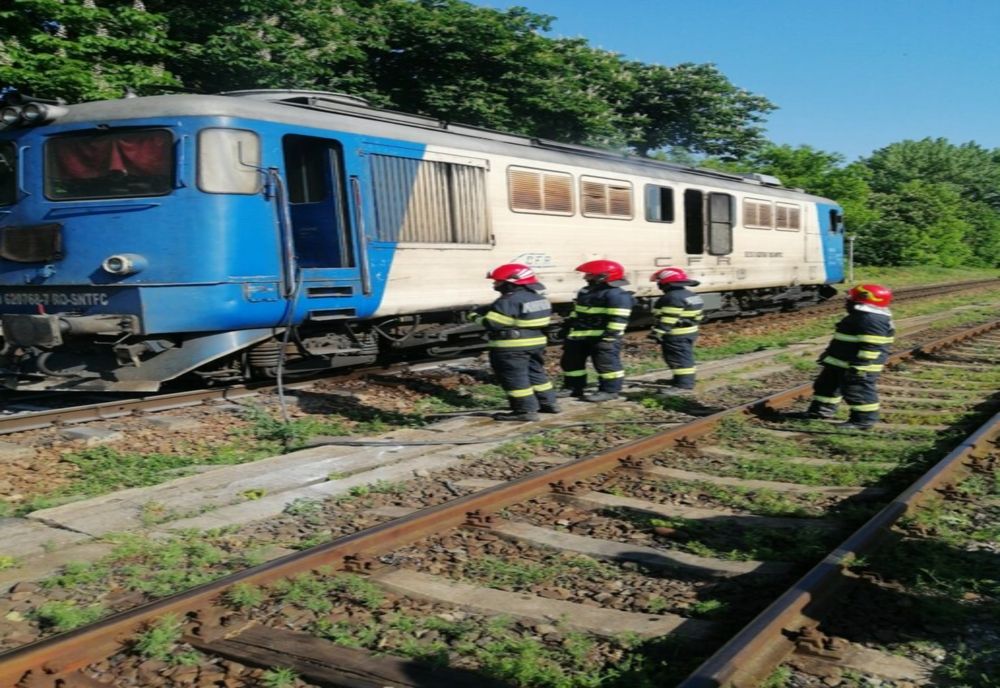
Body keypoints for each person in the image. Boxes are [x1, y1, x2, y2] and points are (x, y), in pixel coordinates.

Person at [794, 284, 895, 430]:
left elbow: (872, 345)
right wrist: (828, 355)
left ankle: (864, 420)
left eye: (852, 297)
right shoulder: (860, 316)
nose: (848, 299)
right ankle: (820, 411)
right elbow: (843, 339)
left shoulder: (871, 319)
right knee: (826, 386)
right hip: (840, 361)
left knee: (858, 391)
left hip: (859, 365)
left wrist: (860, 366)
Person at [469, 263, 560, 421]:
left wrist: (474, 316)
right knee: (537, 374)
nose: (494, 284)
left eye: (497, 281)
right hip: (536, 343)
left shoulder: (507, 300)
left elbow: (492, 323)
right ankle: (549, 404)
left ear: (510, 282)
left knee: (515, 378)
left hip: (511, 347)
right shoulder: (539, 297)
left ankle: (525, 411)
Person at [558, 259, 635, 402]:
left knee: (606, 365)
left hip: (603, 338)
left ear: (603, 277)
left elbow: (619, 319)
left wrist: (609, 338)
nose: (585, 277)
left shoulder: (617, 295)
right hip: (579, 335)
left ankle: (610, 390)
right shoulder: (585, 291)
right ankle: (574, 387)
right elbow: (578, 311)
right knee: (571, 363)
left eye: (590, 275)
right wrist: (568, 326)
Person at [648, 267, 704, 393]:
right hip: (689, 332)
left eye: (659, 282)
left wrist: (657, 333)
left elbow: (668, 319)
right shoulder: (691, 295)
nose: (658, 285)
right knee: (682, 357)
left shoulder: (672, 297)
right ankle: (680, 379)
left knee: (679, 359)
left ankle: (684, 385)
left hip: (676, 335)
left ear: (666, 283)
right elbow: (699, 316)